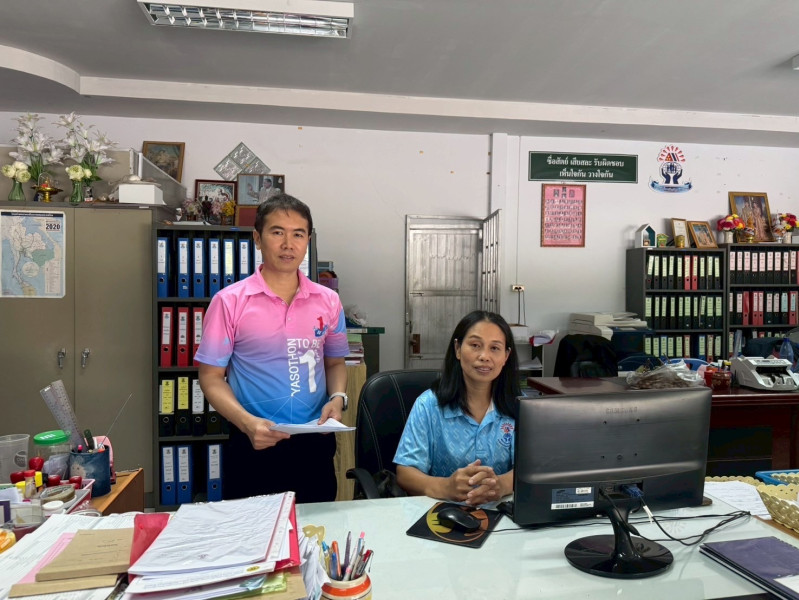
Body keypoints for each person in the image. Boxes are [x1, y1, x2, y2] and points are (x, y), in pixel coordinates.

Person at [195, 193, 349, 503]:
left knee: (315, 528)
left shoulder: (328, 301)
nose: (288, 244)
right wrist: (247, 423)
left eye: (298, 234)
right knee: (254, 532)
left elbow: (334, 362)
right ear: (258, 238)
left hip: (314, 444)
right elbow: (210, 377)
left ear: (307, 241)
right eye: (277, 232)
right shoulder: (229, 302)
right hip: (254, 442)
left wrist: (338, 398)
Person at [393, 310, 520, 506]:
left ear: (506, 356)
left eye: (495, 348)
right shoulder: (428, 405)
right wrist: (446, 487)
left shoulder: (521, 407)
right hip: (440, 513)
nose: (484, 356)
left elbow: (533, 467)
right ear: (458, 349)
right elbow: (406, 473)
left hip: (503, 513)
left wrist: (501, 485)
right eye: (475, 345)